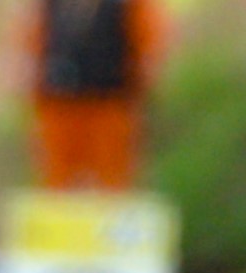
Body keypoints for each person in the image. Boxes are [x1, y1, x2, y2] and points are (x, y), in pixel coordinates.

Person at [31, 0, 166, 192]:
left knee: (112, 186)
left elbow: (150, 54)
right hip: (58, 108)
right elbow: (29, 51)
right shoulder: (46, 6)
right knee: (57, 188)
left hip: (110, 107)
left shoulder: (132, 5)